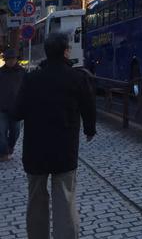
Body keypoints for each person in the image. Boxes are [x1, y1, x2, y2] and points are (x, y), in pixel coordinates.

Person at [14, 32, 96, 239]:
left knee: (36, 199)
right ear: (66, 51)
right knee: (65, 198)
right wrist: (89, 129)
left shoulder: (31, 79)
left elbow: (17, 112)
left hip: (35, 149)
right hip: (65, 148)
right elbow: (89, 107)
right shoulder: (77, 77)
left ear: (47, 52)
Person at [0, 48, 25, 161]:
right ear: (5, 60)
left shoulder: (22, 72)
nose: (11, 61)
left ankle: (10, 148)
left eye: (13, 58)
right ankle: (4, 152)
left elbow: (27, 89)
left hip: (17, 108)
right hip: (2, 108)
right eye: (9, 59)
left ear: (16, 59)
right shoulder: (0, 72)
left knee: (15, 132)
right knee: (1, 132)